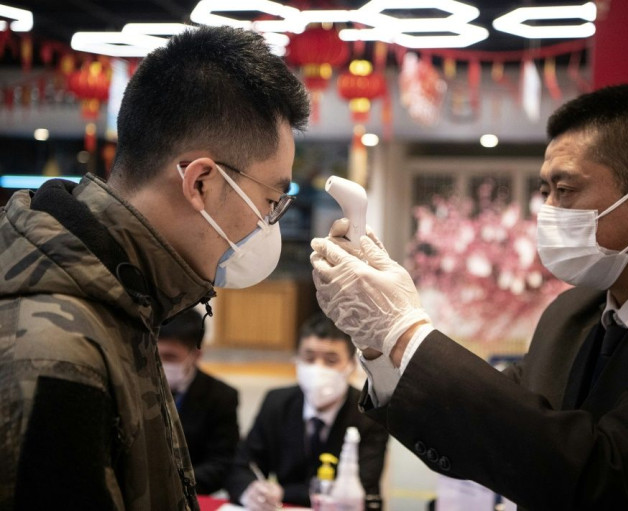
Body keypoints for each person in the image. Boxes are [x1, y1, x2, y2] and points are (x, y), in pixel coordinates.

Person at [310, 84, 628, 510]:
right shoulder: (572, 313)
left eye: (565, 190)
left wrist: (404, 331)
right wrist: (376, 341)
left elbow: (606, 474)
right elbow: (493, 438)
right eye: (545, 190)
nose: (547, 209)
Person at [0, 26, 309, 510]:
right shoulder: (55, 351)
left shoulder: (125, 296)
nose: (268, 223)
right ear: (201, 182)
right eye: (270, 200)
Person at [225, 312, 389, 510]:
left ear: (351, 366)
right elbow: (242, 465)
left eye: (330, 360)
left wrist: (284, 492)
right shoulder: (277, 403)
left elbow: (362, 485)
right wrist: (251, 490)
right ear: (297, 359)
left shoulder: (370, 414)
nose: (317, 369)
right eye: (309, 358)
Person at [158, 308, 239, 495]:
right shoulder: (134, 387)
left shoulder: (221, 396)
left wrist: (173, 484)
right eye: (155, 355)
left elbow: (222, 463)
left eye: (170, 357)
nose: (159, 365)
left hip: (191, 493)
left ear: (196, 355)